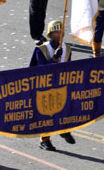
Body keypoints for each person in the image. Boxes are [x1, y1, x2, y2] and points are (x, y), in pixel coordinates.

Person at [30, 20, 75, 151]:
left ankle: (64, 130)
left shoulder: (67, 48)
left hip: (62, 84)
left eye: (61, 31)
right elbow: (40, 70)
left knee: (66, 109)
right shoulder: (42, 49)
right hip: (46, 86)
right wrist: (53, 59)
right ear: (50, 34)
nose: (59, 34)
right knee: (47, 114)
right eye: (56, 32)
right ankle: (44, 140)